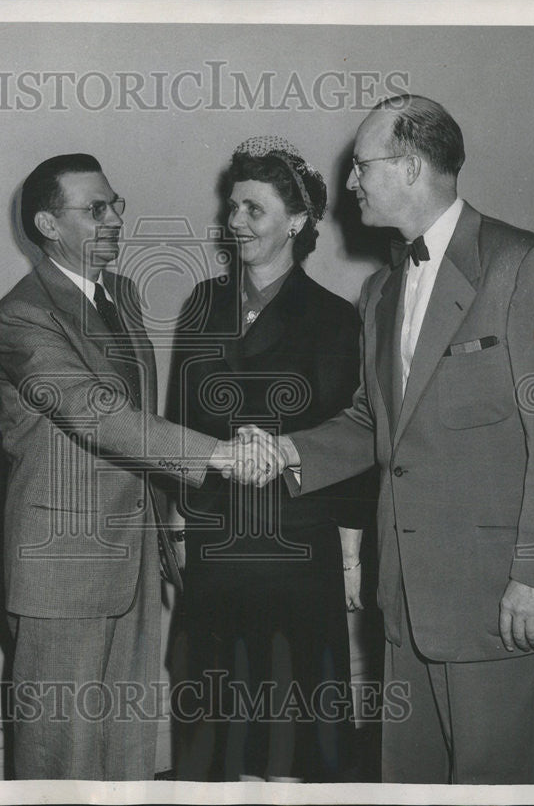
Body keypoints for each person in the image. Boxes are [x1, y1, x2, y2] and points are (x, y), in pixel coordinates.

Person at [240, 95, 534, 784]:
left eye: (361, 166)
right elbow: (374, 422)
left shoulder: (525, 264)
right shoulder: (380, 291)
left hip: (504, 600)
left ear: (409, 168)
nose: (350, 183)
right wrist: (289, 450)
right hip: (406, 600)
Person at [0, 153, 253, 780]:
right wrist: (214, 455)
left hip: (131, 554)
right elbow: (95, 411)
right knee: (63, 753)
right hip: (63, 564)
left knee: (126, 741)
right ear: (49, 225)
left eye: (116, 205)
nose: (113, 220)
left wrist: (169, 529)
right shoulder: (22, 317)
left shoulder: (121, 295)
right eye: (94, 209)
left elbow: (137, 423)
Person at [166, 136, 375, 782]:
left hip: (294, 552)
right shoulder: (203, 305)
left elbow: (353, 439)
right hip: (214, 549)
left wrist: (348, 556)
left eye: (254, 209)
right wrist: (178, 523)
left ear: (297, 221)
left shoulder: (335, 319)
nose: (236, 223)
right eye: (233, 208)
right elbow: (177, 424)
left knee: (289, 738)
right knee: (212, 728)